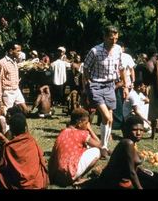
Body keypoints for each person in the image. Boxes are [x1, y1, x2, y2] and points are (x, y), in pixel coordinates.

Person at [83, 25, 129, 159]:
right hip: (96, 85)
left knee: (110, 119)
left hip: (111, 86)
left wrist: (125, 86)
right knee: (106, 118)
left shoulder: (118, 49)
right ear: (104, 37)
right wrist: (88, 84)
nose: (113, 41)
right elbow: (85, 68)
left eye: (116, 38)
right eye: (111, 38)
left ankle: (104, 147)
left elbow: (121, 68)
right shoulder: (95, 51)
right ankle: (103, 146)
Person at [0, 113, 49, 189]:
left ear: (11, 129)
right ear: (25, 128)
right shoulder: (31, 141)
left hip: (21, 185)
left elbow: (1, 166)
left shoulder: (8, 147)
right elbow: (42, 160)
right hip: (37, 183)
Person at [48, 108, 101, 187]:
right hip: (68, 175)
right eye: (86, 123)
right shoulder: (82, 133)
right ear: (79, 123)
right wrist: (90, 129)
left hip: (55, 175)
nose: (87, 125)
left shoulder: (63, 132)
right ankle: (77, 178)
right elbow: (99, 145)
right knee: (97, 151)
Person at [97, 115, 148, 189]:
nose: (138, 133)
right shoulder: (128, 143)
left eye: (141, 130)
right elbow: (131, 173)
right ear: (127, 129)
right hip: (112, 183)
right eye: (134, 130)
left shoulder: (131, 143)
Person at [0, 42, 29, 115]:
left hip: (16, 90)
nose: (19, 53)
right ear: (11, 51)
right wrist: (0, 100)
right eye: (18, 51)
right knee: (7, 114)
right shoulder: (2, 63)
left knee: (25, 110)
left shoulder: (14, 61)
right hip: (8, 92)